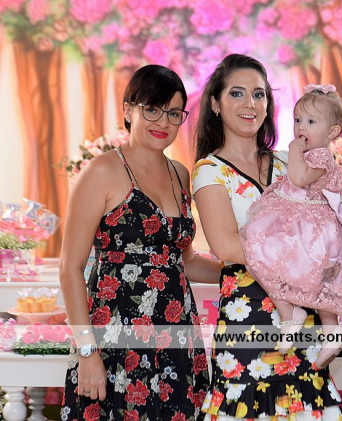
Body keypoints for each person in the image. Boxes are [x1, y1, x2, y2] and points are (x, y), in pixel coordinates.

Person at [59, 65, 219, 420]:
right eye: (152, 109)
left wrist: (244, 271)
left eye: (173, 113)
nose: (163, 121)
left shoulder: (180, 174)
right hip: (114, 339)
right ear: (129, 109)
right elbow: (70, 268)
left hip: (177, 337)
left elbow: (186, 262)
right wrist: (87, 352)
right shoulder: (101, 171)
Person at [192, 54, 342, 420]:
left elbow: (327, 220)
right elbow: (228, 247)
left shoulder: (289, 162)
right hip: (248, 318)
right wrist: (304, 249)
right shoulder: (209, 171)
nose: (250, 103)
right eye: (237, 93)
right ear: (215, 104)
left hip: (303, 317)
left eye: (258, 94)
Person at [239, 84, 342, 367]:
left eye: (310, 121)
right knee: (263, 253)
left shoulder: (320, 156)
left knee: (277, 257)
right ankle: (303, 319)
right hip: (303, 220)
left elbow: (298, 178)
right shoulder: (310, 154)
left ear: (332, 132)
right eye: (297, 120)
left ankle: (320, 326)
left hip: (314, 229)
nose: (301, 127)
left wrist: (294, 149)